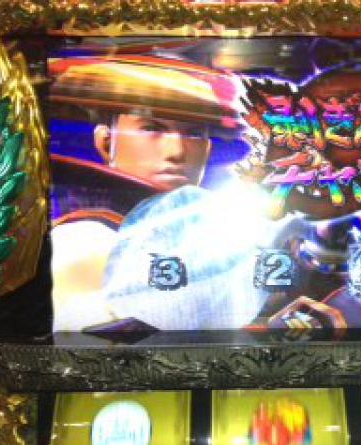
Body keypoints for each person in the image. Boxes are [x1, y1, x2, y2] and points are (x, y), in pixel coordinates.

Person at [49, 55, 239, 331]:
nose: (176, 152)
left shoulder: (213, 237)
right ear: (106, 142)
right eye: (152, 128)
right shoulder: (84, 239)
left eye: (194, 133)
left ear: (208, 148)